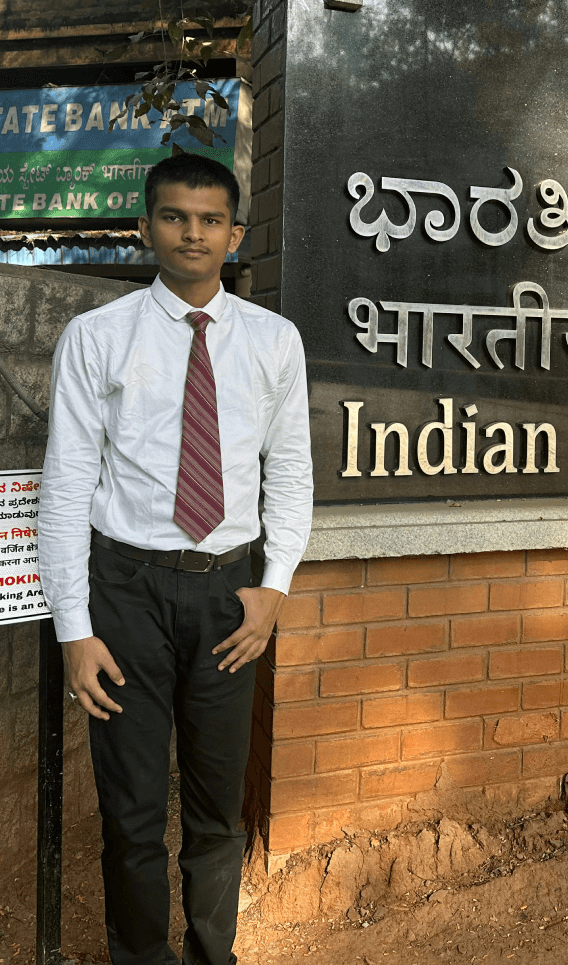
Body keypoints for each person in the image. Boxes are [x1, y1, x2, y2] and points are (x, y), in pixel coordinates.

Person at [37, 151, 313, 965]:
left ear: (235, 234)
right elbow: (67, 484)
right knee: (129, 813)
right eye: (175, 217)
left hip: (229, 595)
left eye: (210, 220)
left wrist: (274, 586)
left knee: (216, 809)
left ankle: (210, 955)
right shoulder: (97, 337)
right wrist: (74, 629)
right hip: (124, 594)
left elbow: (291, 472)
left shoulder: (273, 341)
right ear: (145, 227)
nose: (193, 233)